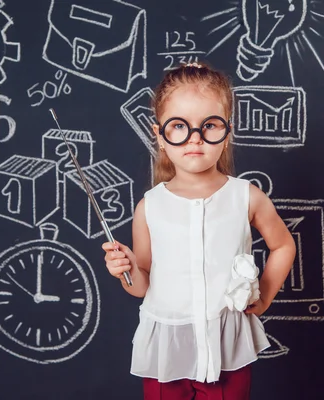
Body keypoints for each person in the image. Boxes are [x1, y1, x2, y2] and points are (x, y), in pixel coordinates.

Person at [102, 61, 296, 399]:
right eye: (179, 126)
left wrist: (264, 296)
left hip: (227, 349)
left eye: (209, 126)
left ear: (227, 132)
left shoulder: (246, 196)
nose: (195, 139)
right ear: (158, 135)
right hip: (167, 349)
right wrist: (127, 270)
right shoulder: (149, 206)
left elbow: (283, 246)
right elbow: (143, 283)